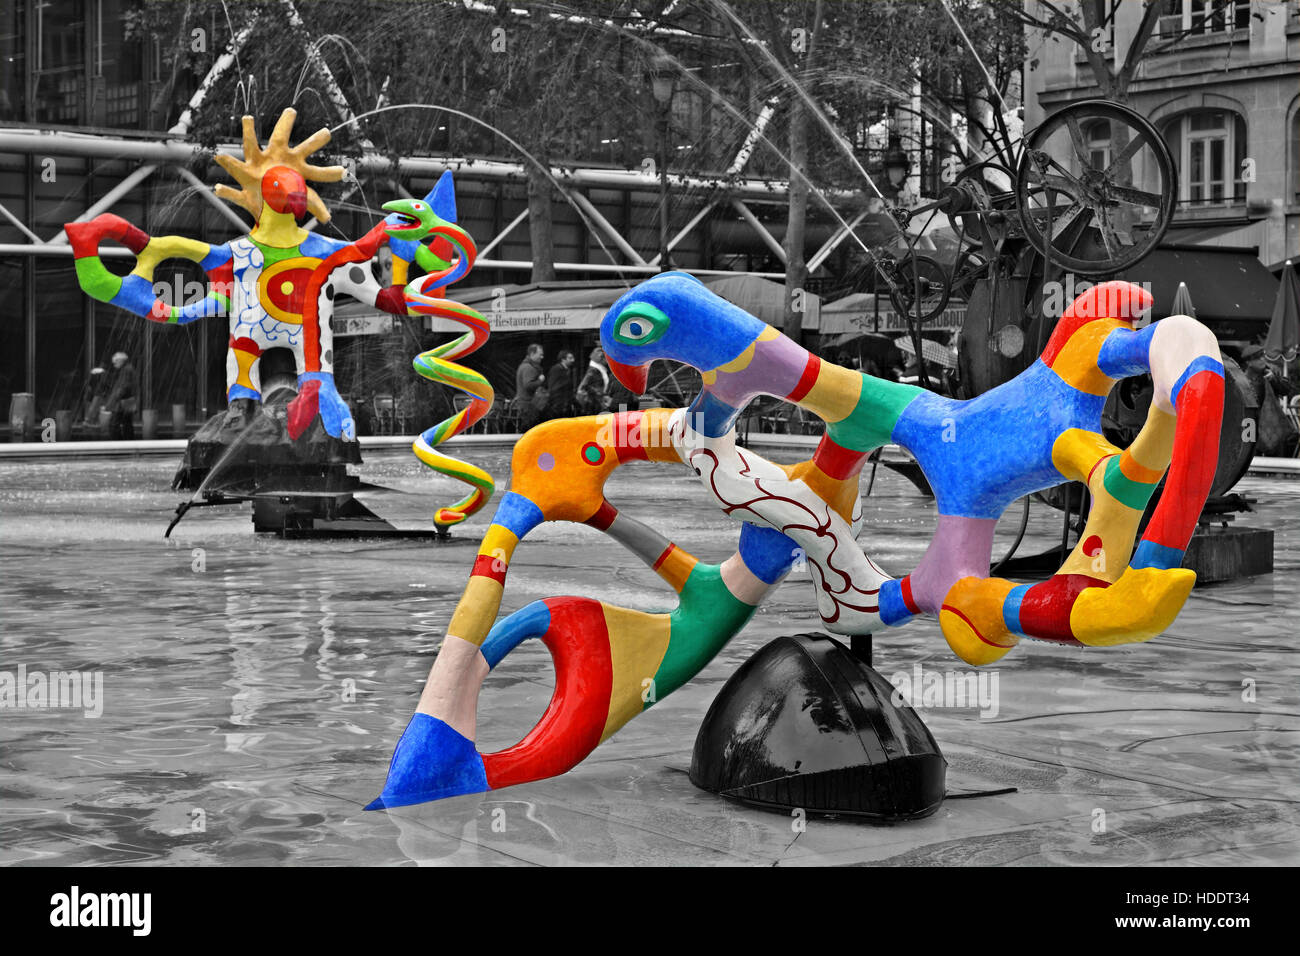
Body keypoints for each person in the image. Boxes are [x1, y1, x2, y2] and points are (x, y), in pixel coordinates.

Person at [104, 351, 138, 440]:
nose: (114, 365)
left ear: (120, 361)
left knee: (113, 424)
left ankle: (117, 444)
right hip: (129, 400)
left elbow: (124, 386)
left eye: (115, 362)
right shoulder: (129, 368)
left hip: (122, 401)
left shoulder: (126, 370)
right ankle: (128, 443)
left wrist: (115, 397)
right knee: (127, 423)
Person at [514, 342, 546, 431]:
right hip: (529, 407)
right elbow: (528, 385)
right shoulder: (528, 368)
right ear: (532, 354)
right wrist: (540, 380)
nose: (542, 357)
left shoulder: (524, 366)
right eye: (540, 355)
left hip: (526, 406)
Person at [576, 347, 612, 414]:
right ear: (601, 358)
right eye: (606, 358)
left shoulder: (601, 370)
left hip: (599, 404)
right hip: (595, 406)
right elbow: (583, 387)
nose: (608, 361)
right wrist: (601, 397)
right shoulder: (593, 371)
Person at [545, 350, 577, 419]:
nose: (573, 360)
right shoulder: (556, 370)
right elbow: (553, 387)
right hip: (558, 406)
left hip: (564, 405)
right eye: (570, 358)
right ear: (563, 359)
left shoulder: (567, 370)